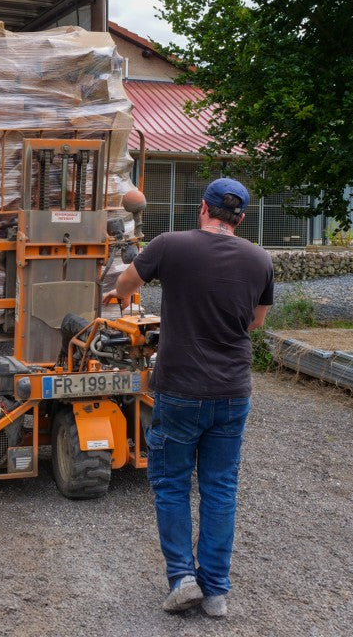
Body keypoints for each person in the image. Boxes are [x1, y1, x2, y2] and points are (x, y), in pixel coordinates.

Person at [103, 178, 273, 618]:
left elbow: (125, 283)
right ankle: (215, 592)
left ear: (203, 208)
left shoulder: (170, 245)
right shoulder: (259, 259)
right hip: (233, 392)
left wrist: (118, 294)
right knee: (220, 487)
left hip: (179, 389)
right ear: (241, 216)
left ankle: (182, 579)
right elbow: (255, 322)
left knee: (173, 483)